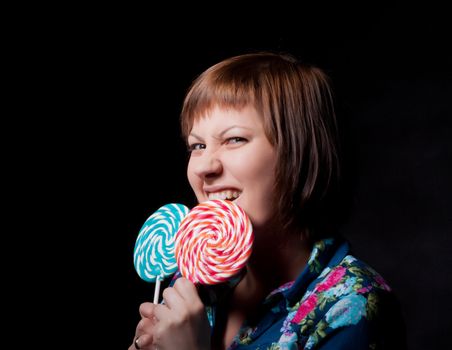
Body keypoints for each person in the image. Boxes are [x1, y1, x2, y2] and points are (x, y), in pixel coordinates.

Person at [129, 52, 406, 349]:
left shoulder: (354, 308)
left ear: (300, 155)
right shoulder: (191, 280)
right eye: (197, 145)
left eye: (234, 139)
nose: (203, 167)